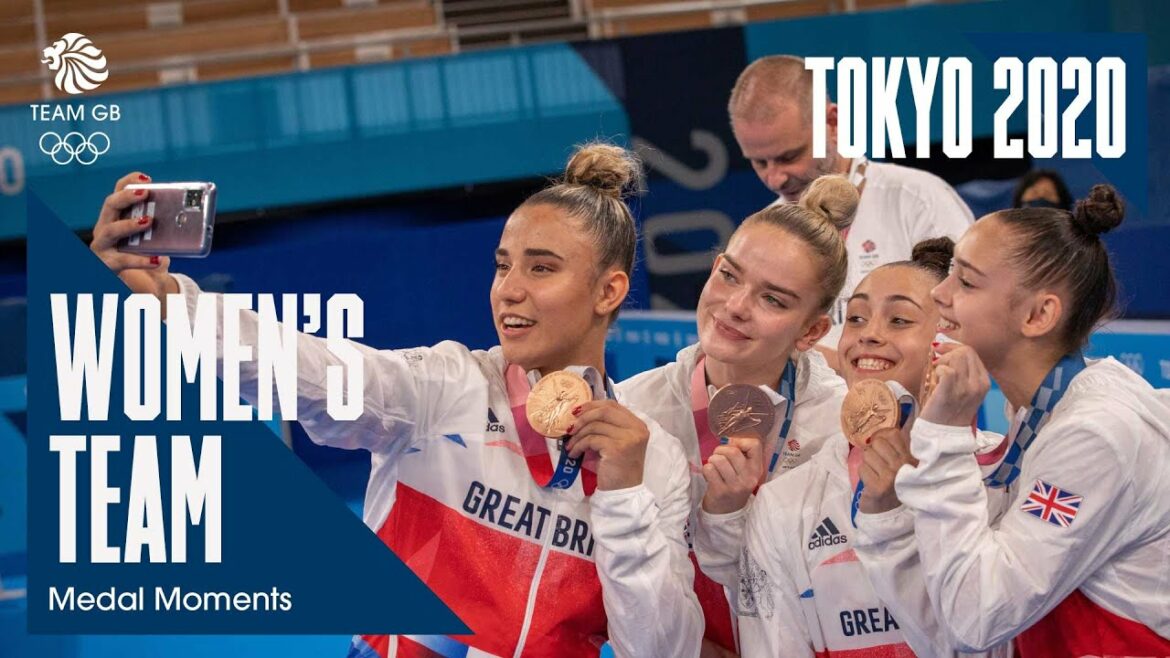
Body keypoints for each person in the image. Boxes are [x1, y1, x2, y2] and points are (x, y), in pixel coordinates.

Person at [87, 144, 703, 658]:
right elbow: (310, 368)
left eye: (541, 269)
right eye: (502, 265)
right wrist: (168, 303)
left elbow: (659, 649)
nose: (508, 291)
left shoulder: (655, 458)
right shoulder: (444, 390)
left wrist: (624, 499)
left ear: (609, 290)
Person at [866, 185, 1170, 655]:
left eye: (965, 283)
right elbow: (957, 635)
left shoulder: (1095, 435)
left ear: (1039, 314)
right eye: (949, 274)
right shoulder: (1038, 413)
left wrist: (944, 438)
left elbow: (976, 617)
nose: (939, 296)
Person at [618, 175, 854, 656]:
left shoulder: (838, 426)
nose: (735, 306)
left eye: (773, 299)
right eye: (729, 275)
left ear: (812, 331)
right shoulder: (635, 413)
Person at [728, 55, 975, 364]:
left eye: (790, 156)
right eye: (759, 162)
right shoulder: (766, 232)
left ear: (832, 123)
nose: (775, 177)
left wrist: (840, 368)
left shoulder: (917, 200)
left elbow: (969, 320)